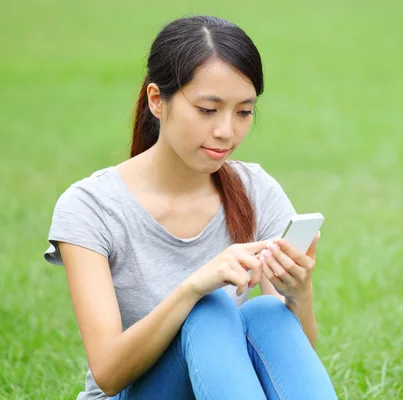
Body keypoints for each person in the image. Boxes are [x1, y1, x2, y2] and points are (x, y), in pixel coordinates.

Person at [43, 15, 338, 400]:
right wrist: (192, 289)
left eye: (244, 112)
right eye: (207, 109)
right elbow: (109, 373)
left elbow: (287, 367)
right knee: (209, 308)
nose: (226, 131)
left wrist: (299, 294)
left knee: (267, 313)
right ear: (156, 101)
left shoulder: (256, 189)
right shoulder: (91, 206)